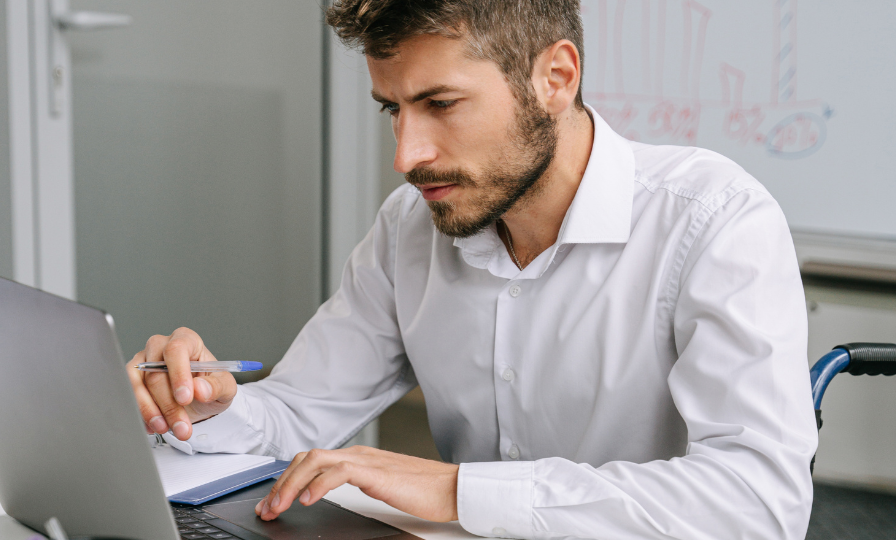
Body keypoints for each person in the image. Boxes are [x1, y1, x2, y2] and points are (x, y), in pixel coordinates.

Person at [126, 1, 818, 538]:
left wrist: (458, 492)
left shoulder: (713, 219)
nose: (407, 154)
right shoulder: (409, 225)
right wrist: (204, 407)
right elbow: (300, 410)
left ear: (556, 78)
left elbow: (758, 504)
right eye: (392, 110)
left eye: (441, 104)